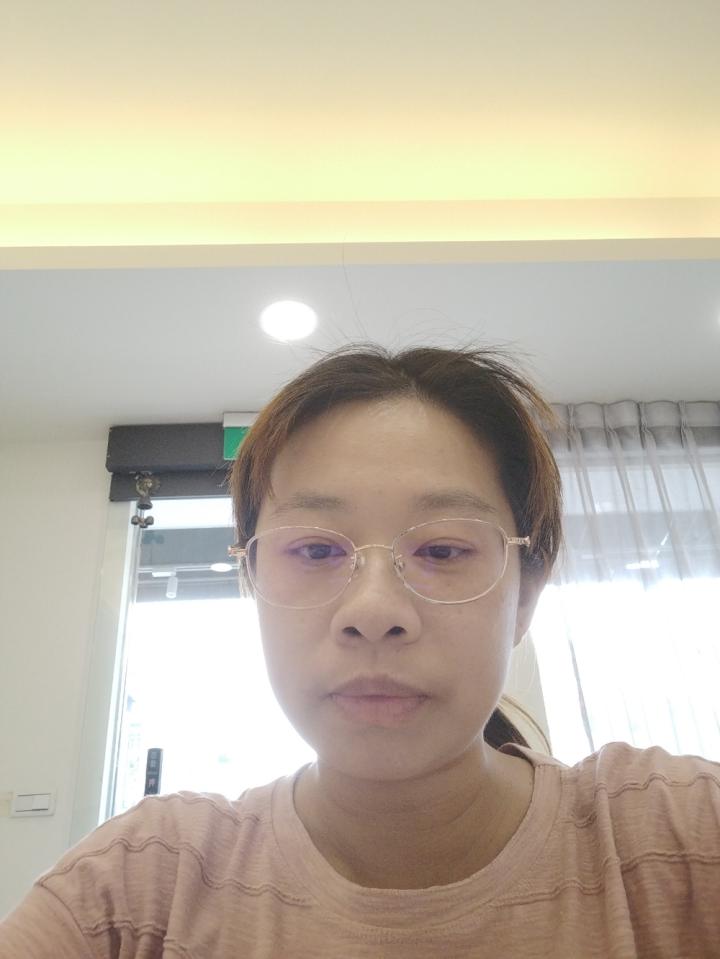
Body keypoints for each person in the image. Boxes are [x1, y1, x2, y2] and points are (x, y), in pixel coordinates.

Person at [1, 344, 719, 958]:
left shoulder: (680, 841)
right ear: (253, 580)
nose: (374, 612)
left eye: (443, 549)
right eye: (316, 550)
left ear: (525, 594)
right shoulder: (140, 890)